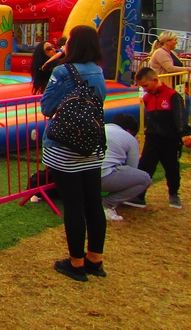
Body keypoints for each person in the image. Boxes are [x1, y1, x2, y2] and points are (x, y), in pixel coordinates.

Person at [40, 25, 108, 282]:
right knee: (93, 202)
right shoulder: (98, 71)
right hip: (91, 145)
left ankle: (76, 263)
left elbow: (47, 107)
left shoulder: (62, 71)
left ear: (73, 45)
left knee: (73, 205)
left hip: (64, 147)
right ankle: (95, 259)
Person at [129, 67, 191, 209]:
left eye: (146, 85)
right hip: (152, 139)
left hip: (170, 140)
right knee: (145, 166)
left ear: (155, 80)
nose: (144, 89)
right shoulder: (147, 98)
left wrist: (184, 134)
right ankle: (139, 196)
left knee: (171, 168)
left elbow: (180, 116)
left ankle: (174, 194)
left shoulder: (172, 96)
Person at [100, 113, 153, 221]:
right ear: (129, 131)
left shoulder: (100, 127)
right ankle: (106, 203)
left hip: (78, 175)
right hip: (102, 177)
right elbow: (132, 168)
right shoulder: (130, 139)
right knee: (145, 179)